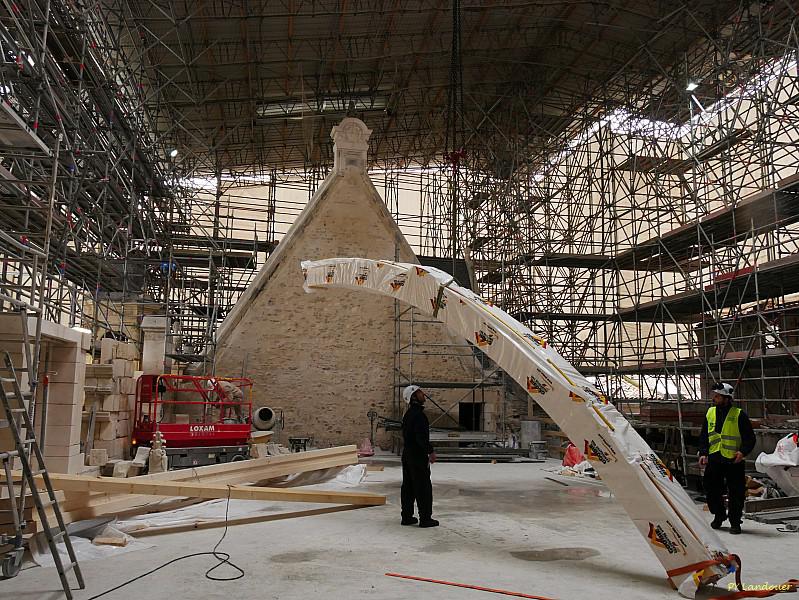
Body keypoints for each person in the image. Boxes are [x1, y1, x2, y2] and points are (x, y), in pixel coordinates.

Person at [698, 382, 755, 534]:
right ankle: (719, 515)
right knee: (711, 489)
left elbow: (750, 438)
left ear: (727, 398)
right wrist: (703, 452)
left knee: (736, 492)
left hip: (733, 460)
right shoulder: (710, 412)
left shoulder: (739, 414)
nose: (714, 398)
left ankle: (735, 522)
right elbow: (704, 435)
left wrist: (742, 452)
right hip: (715, 458)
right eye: (714, 396)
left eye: (717, 396)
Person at [400, 385, 438, 528]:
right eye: (420, 392)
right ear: (414, 397)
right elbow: (420, 437)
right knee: (423, 487)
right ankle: (425, 518)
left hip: (407, 455)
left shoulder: (408, 415)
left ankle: (407, 516)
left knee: (408, 486)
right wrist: (430, 451)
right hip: (417, 456)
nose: (424, 394)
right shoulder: (419, 415)